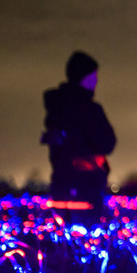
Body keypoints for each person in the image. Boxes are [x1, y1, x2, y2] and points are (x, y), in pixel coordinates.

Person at [41, 50, 116, 225]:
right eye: (93, 76)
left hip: (60, 185)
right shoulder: (88, 109)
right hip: (86, 188)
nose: (96, 81)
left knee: (64, 242)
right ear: (84, 77)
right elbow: (108, 142)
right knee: (86, 244)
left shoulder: (57, 108)